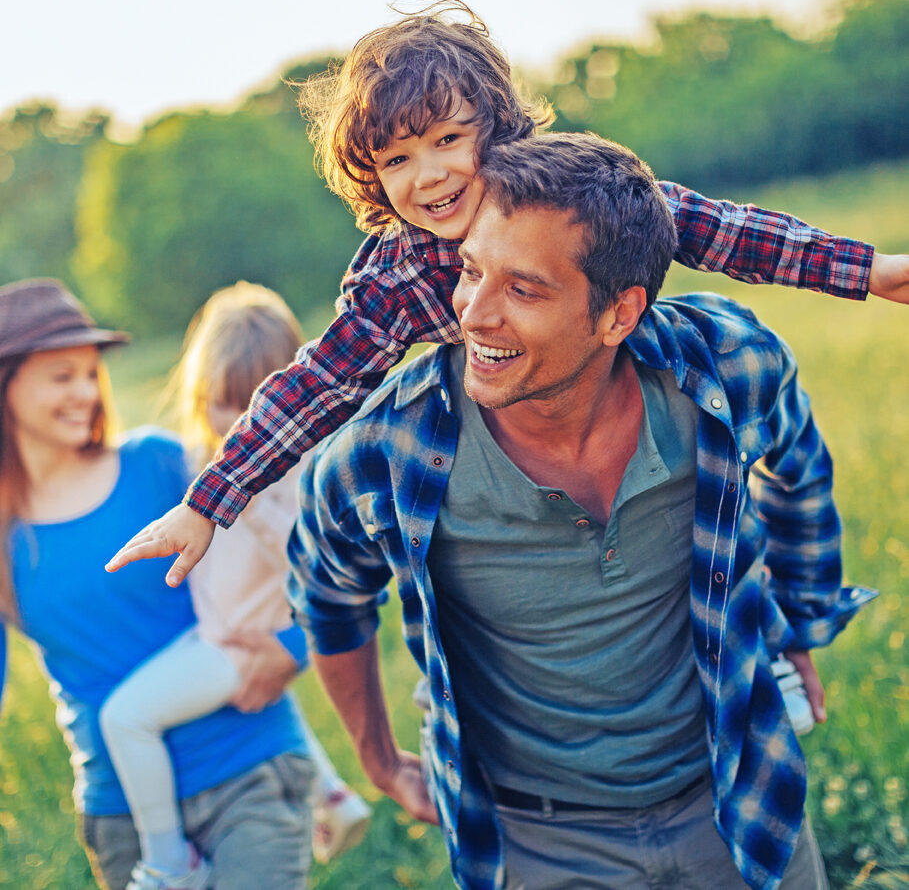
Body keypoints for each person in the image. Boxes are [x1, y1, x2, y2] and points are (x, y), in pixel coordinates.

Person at [106, 1, 909, 586]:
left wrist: (864, 271)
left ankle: (757, 625)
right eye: (396, 160)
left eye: (447, 140)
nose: (428, 176)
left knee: (700, 515)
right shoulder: (394, 273)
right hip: (508, 427)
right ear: (371, 176)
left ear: (494, 125)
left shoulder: (561, 188)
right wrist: (210, 501)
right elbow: (316, 383)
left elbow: (709, 226)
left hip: (617, 376)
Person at [285, 133, 877, 890]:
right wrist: (376, 757)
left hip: (738, 796)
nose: (474, 313)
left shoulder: (727, 365)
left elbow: (797, 469)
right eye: (471, 271)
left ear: (618, 313)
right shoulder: (385, 449)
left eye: (523, 289)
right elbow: (325, 593)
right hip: (536, 844)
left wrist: (798, 613)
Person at [0, 278, 314, 890]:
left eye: (91, 374)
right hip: (124, 814)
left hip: (249, 769)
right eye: (62, 377)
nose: (86, 393)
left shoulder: (161, 464)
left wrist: (292, 651)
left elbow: (314, 558)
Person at [98, 281, 370, 888]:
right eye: (225, 401)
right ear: (200, 394)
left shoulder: (290, 479)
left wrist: (257, 503)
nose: (241, 424)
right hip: (224, 631)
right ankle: (333, 796)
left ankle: (169, 860)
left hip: (237, 643)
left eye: (259, 405)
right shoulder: (200, 457)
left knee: (126, 718)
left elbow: (319, 560)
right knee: (273, 698)